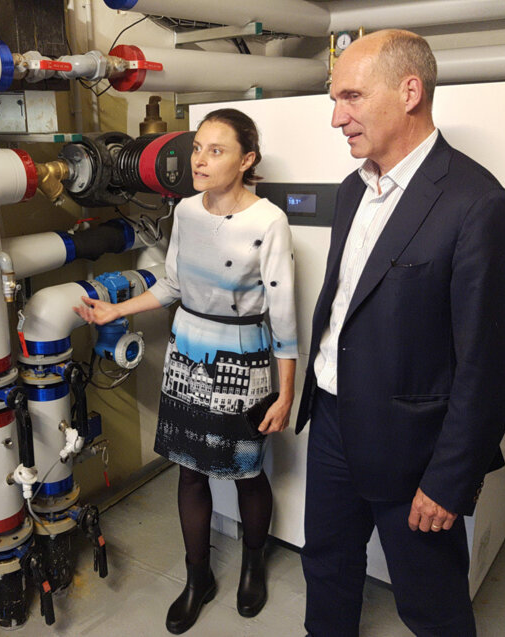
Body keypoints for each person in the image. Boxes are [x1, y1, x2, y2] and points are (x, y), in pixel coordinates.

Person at [295, 29, 505, 636]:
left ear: (409, 91)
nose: (335, 117)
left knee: (430, 602)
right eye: (333, 99)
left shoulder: (478, 207)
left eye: (349, 96)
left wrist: (449, 482)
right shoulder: (353, 191)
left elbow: (489, 366)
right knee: (325, 565)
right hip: (333, 424)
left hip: (414, 448)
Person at [75, 108, 297, 634]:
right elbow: (171, 286)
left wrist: (286, 393)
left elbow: (283, 313)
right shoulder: (186, 213)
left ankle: (252, 565)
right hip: (188, 348)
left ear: (247, 161)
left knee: (247, 469)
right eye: (198, 148)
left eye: (216, 151)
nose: (200, 159)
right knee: (189, 469)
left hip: (244, 355)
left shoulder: (269, 222)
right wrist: (114, 311)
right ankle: (198, 578)